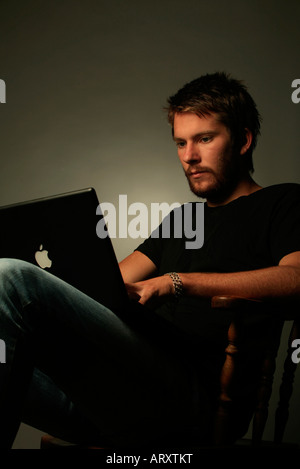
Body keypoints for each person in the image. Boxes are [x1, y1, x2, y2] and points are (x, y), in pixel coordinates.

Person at [0, 72, 299, 449]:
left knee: (10, 277)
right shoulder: (181, 221)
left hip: (191, 404)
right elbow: (108, 284)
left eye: (204, 139)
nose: (189, 156)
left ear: (243, 139)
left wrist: (178, 282)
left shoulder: (282, 203)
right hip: (118, 401)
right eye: (180, 143)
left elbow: (296, 278)